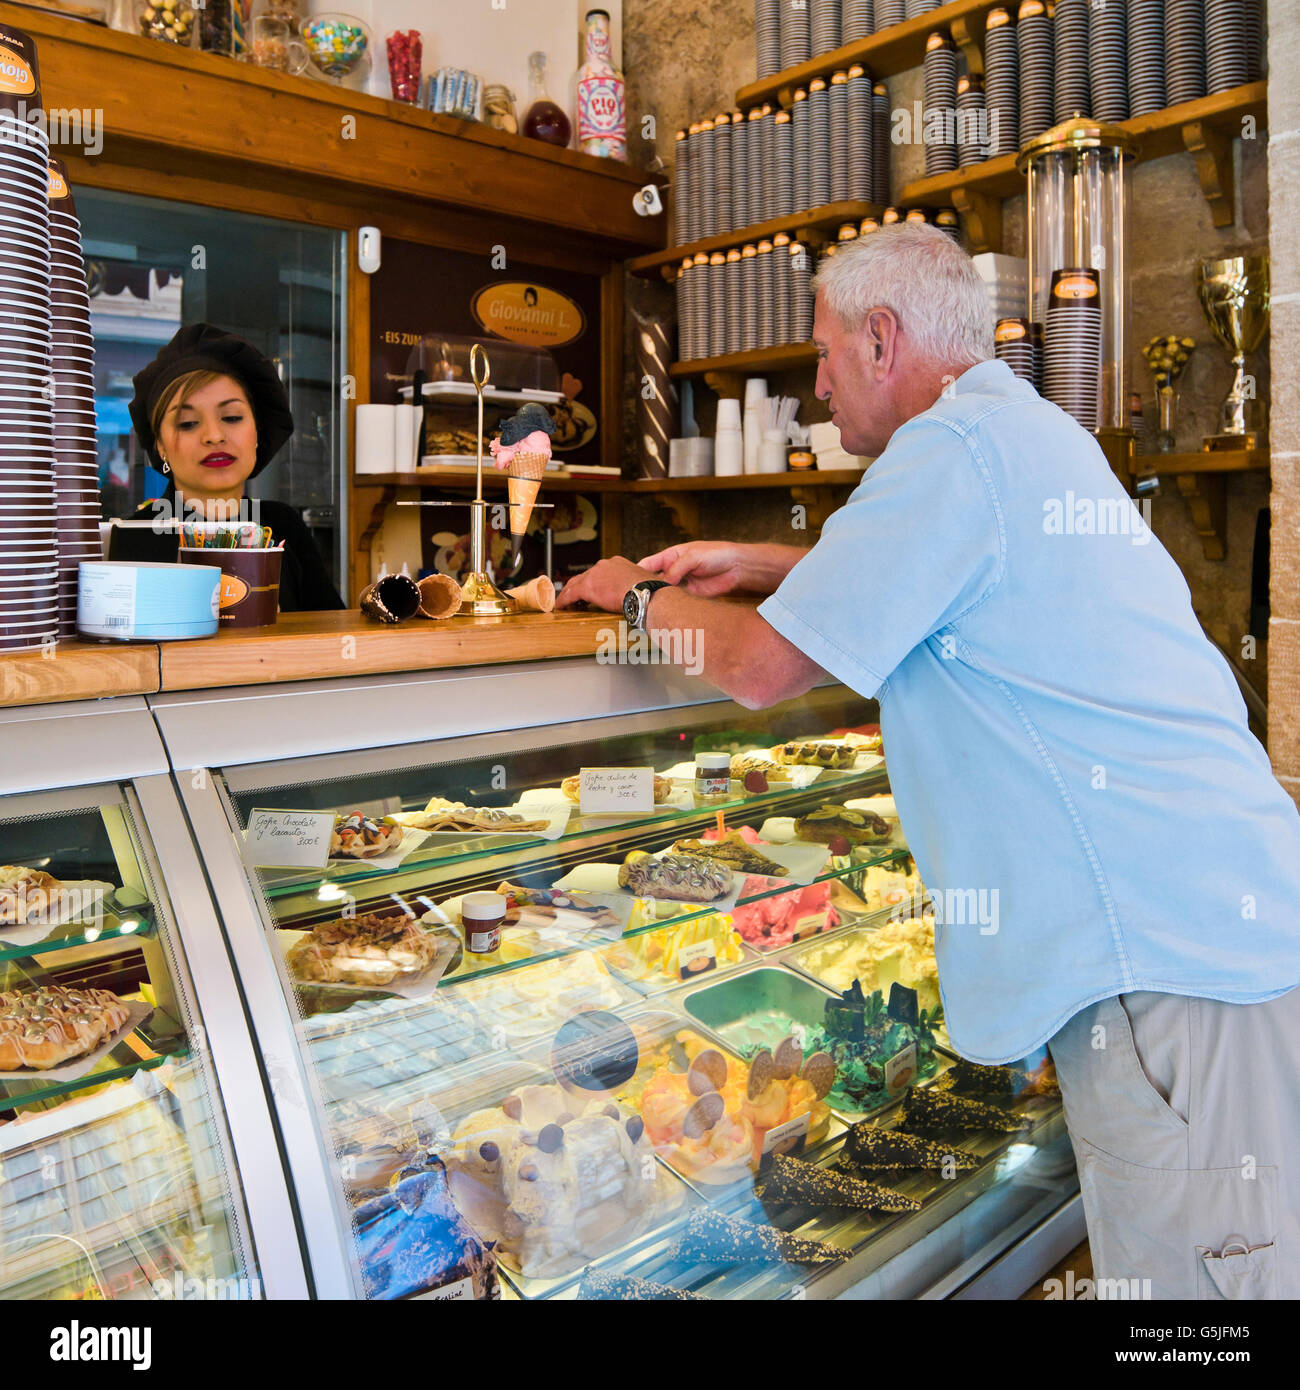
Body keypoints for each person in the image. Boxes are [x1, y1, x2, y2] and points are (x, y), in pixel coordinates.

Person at [559, 223, 1300, 1299]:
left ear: (881, 339)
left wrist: (628, 591)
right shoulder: (1019, 431)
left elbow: (762, 670)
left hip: (1165, 974)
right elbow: (960, 574)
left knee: (1205, 1299)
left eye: (822, 354)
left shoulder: (946, 452)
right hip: (1210, 941)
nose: (816, 386)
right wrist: (767, 559)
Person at [128, 322, 344, 612]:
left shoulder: (282, 525)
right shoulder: (136, 537)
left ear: (258, 432)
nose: (215, 436)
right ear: (160, 447)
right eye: (188, 423)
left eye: (231, 417)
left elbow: (329, 634)